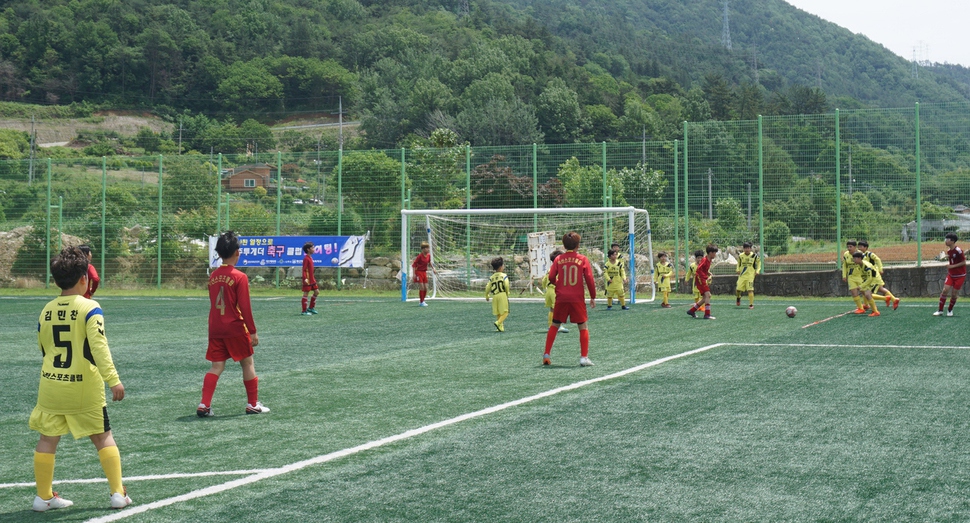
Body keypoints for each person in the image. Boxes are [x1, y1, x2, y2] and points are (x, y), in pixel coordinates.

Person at [29, 246, 132, 512]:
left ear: (56, 279)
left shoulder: (46, 310)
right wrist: (114, 380)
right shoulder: (90, 307)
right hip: (84, 387)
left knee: (47, 439)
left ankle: (43, 498)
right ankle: (118, 494)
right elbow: (99, 348)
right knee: (103, 437)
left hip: (51, 385)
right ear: (84, 278)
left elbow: (43, 347)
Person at [198, 231, 269, 417]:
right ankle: (252, 404)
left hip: (215, 327)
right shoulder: (240, 277)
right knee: (247, 363)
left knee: (216, 366)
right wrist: (252, 331)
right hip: (235, 327)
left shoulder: (213, 276)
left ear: (219, 253)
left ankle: (204, 405)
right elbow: (244, 307)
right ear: (237, 252)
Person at [543, 231, 596, 367]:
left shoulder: (558, 259)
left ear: (564, 246)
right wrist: (593, 296)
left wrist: (558, 284)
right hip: (577, 298)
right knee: (582, 326)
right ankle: (584, 358)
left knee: (555, 324)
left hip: (561, 297)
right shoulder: (583, 259)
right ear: (578, 245)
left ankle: (546, 354)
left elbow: (551, 277)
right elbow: (589, 279)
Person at [858, 240, 899, 310]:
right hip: (869, 275)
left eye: (861, 246)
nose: (859, 248)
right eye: (858, 246)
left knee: (866, 290)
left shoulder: (869, 254)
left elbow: (878, 260)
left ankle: (888, 299)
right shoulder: (860, 255)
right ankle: (893, 299)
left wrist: (880, 269)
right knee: (880, 289)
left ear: (866, 248)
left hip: (873, 275)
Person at [934, 232, 966, 316]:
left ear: (952, 241)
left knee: (954, 293)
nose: (945, 241)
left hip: (960, 275)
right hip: (951, 275)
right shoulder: (949, 251)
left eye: (947, 239)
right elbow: (952, 256)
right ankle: (940, 310)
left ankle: (950, 310)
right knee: (945, 290)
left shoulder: (959, 251)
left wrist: (952, 266)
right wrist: (945, 256)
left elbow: (963, 262)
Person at [539, 249, 568, 333]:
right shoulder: (560, 268)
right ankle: (557, 326)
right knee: (558, 309)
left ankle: (550, 325)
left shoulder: (550, 269)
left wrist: (545, 288)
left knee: (552, 309)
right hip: (555, 291)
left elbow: (544, 280)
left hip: (549, 290)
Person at [687, 244, 718, 320]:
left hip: (701, 278)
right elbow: (699, 269)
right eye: (714, 253)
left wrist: (708, 273)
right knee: (707, 295)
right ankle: (707, 315)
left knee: (706, 296)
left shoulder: (709, 259)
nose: (715, 254)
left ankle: (692, 310)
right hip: (700, 279)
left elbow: (704, 269)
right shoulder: (705, 260)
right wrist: (705, 277)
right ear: (710, 253)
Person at [841, 240, 868, 313]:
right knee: (854, 292)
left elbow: (865, 264)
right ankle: (860, 308)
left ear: (855, 247)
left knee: (865, 292)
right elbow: (844, 265)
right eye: (848, 247)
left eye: (850, 247)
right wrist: (844, 275)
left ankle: (868, 304)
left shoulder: (860, 254)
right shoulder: (846, 254)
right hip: (851, 277)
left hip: (860, 276)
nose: (849, 248)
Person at [852, 251, 881, 317]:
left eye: (855, 258)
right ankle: (875, 310)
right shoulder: (859, 265)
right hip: (869, 280)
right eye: (853, 259)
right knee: (866, 293)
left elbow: (870, 278)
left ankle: (876, 311)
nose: (854, 260)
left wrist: (861, 285)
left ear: (860, 258)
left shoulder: (866, 266)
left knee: (867, 294)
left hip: (875, 280)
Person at [485, 257, 510, 332]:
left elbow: (487, 287)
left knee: (498, 312)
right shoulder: (504, 275)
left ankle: (500, 327)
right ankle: (498, 322)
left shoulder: (492, 277)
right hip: (502, 294)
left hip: (495, 296)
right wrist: (507, 292)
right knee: (505, 312)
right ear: (501, 266)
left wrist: (486, 295)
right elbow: (506, 284)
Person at [735, 242, 760, 309]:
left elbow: (759, 263)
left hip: (750, 276)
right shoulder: (741, 256)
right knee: (738, 289)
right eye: (745, 248)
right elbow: (738, 263)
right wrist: (737, 269)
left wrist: (757, 270)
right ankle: (738, 297)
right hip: (742, 275)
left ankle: (751, 304)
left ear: (750, 248)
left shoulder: (754, 256)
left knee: (750, 290)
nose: (747, 249)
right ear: (743, 249)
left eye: (748, 248)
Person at [412, 241, 434, 306]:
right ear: (423, 249)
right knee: (422, 287)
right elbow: (414, 265)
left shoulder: (428, 255)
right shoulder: (419, 256)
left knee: (426, 288)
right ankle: (421, 302)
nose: (428, 249)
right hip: (418, 272)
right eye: (427, 248)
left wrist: (433, 268)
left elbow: (429, 262)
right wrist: (414, 274)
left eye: (428, 248)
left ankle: (423, 300)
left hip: (424, 272)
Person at [301, 241, 319, 316]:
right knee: (306, 294)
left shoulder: (310, 258)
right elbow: (304, 269)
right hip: (308, 280)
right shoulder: (306, 259)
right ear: (308, 249)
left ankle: (311, 308)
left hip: (312, 279)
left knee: (317, 292)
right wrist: (305, 278)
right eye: (312, 248)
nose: (314, 249)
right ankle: (304, 311)